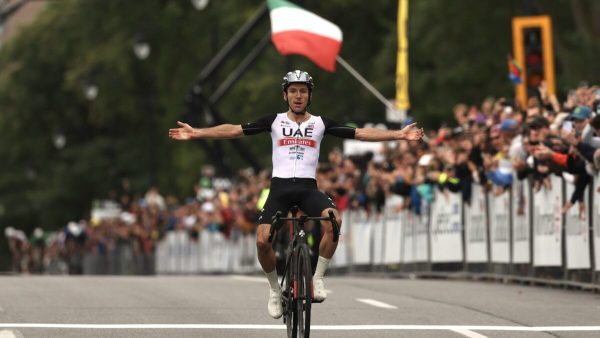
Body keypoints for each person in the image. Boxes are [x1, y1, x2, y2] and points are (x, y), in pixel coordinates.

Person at [169, 70, 424, 319]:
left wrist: (399, 134)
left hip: (307, 189)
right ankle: (274, 290)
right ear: (285, 96)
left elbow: (360, 133)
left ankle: (317, 279)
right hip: (279, 188)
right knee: (262, 241)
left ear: (309, 96)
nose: (298, 96)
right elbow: (234, 130)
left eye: (303, 91)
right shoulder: (274, 121)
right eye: (293, 91)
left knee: (334, 220)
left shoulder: (320, 123)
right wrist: (197, 133)